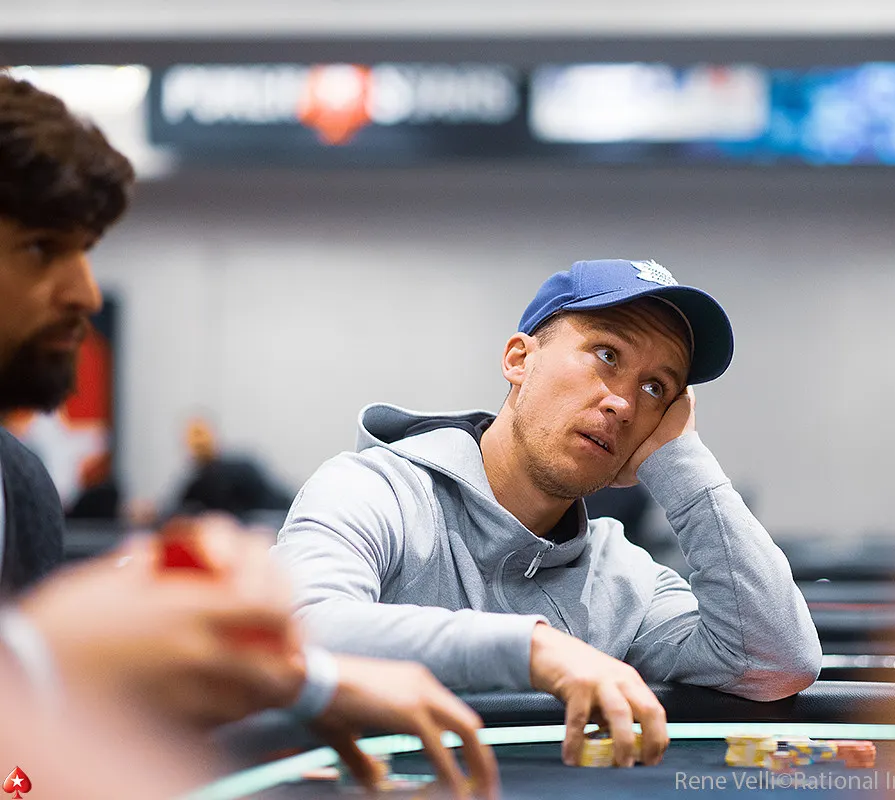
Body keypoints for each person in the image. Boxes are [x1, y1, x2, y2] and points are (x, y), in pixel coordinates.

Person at [0, 73, 498, 799]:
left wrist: (291, 684)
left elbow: (19, 772)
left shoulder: (19, 488)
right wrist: (52, 656)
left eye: (85, 250)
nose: (86, 292)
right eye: (41, 248)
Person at [273, 257, 823, 767]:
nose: (624, 404)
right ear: (520, 359)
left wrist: (681, 464)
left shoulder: (624, 579)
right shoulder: (374, 490)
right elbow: (290, 634)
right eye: (607, 355)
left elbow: (777, 663)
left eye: (656, 388)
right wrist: (535, 650)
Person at [171, 416, 295, 521]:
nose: (200, 442)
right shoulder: (196, 484)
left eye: (201, 435)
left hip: (271, 520)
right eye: (194, 438)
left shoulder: (240, 469)